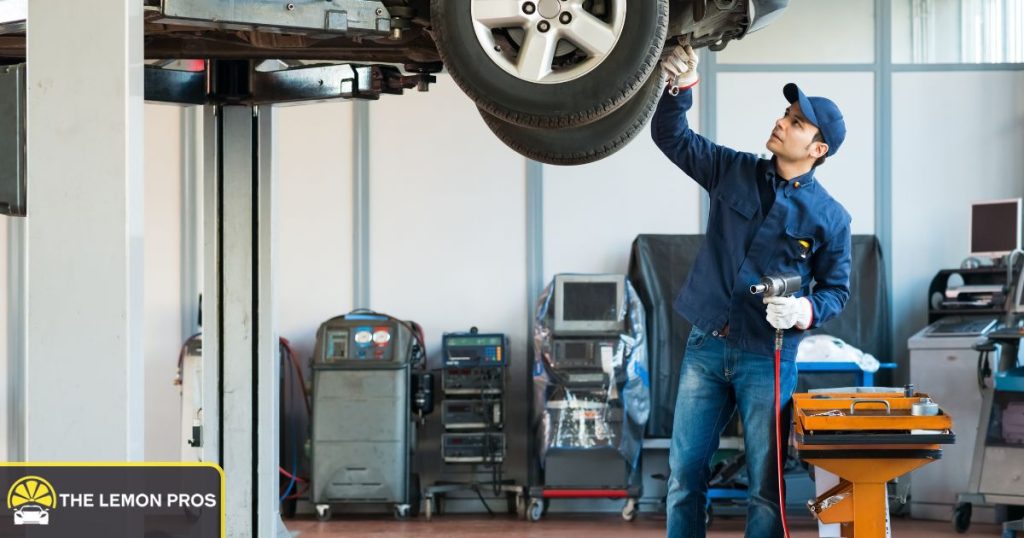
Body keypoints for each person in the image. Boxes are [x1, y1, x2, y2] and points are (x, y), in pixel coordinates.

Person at [652, 44, 853, 538]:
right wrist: (681, 87)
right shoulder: (733, 170)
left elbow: (837, 290)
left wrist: (805, 309)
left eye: (797, 123)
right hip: (706, 346)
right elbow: (671, 136)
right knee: (684, 476)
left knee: (766, 487)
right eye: (785, 114)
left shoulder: (831, 219)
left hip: (768, 356)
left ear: (817, 150)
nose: (782, 123)